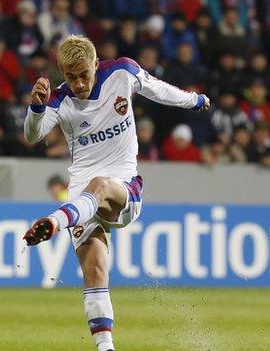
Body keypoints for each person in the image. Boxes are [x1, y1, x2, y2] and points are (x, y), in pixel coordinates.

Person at [22, 35, 210, 351]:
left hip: (121, 187)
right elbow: (33, 135)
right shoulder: (59, 99)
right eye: (71, 77)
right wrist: (37, 107)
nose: (79, 83)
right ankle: (105, 347)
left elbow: (158, 89)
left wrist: (194, 100)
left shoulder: (121, 73)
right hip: (81, 199)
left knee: (101, 185)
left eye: (84, 74)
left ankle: (55, 222)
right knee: (94, 271)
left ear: (96, 64)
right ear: (62, 74)